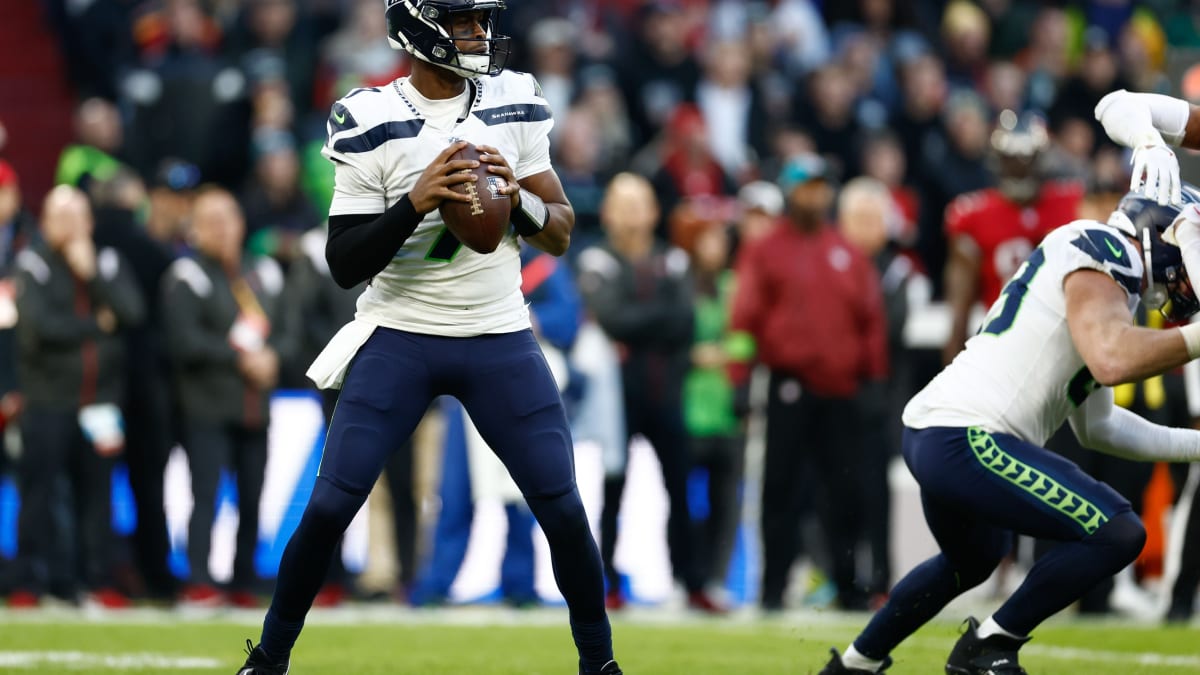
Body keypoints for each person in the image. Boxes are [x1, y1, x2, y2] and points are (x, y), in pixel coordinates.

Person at [238, 1, 620, 673]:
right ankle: (267, 660)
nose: (480, 34)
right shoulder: (368, 115)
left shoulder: (515, 98)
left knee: (561, 506)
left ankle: (601, 665)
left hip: (498, 330)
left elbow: (560, 231)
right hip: (402, 331)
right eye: (464, 21)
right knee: (331, 504)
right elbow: (344, 261)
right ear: (417, 28)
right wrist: (414, 201)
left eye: (481, 20)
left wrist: (519, 201)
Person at [818, 183, 1200, 675]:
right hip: (968, 437)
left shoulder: (1112, 288)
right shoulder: (1105, 248)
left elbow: (1100, 426)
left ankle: (854, 666)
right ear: (1158, 231)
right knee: (1117, 531)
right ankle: (988, 645)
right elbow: (1111, 361)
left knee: (972, 559)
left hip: (942, 433)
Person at [729, 154, 888, 612]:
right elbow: (746, 318)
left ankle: (847, 583)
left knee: (846, 492)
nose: (814, 196)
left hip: (841, 392)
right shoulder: (766, 251)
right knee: (780, 489)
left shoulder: (847, 253)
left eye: (821, 187)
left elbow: (869, 320)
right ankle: (773, 587)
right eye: (806, 187)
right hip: (788, 386)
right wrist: (741, 379)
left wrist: (873, 379)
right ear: (789, 191)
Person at [164, 186, 296, 608]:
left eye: (229, 218)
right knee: (205, 494)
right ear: (195, 229)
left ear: (242, 224)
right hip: (207, 405)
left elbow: (291, 332)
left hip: (256, 407)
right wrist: (240, 359)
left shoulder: (264, 272)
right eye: (211, 221)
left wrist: (274, 357)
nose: (222, 229)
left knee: (253, 497)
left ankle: (244, 577)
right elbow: (182, 341)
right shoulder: (187, 275)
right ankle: (200, 578)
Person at [12, 186, 145, 608]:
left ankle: (97, 579)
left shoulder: (105, 262)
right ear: (46, 222)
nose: (68, 226)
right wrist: (95, 326)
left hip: (100, 401)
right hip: (48, 398)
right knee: (38, 493)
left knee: (98, 496)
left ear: (89, 222)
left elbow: (132, 314)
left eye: (76, 216)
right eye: (59, 216)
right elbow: (38, 330)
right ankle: (31, 581)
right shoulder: (33, 263)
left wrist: (92, 276)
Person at [941, 110, 1083, 362]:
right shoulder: (972, 215)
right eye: (1012, 159)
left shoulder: (1074, 202)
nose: (1020, 168)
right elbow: (960, 307)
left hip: (1067, 339)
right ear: (997, 160)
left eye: (1027, 159)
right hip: (1004, 344)